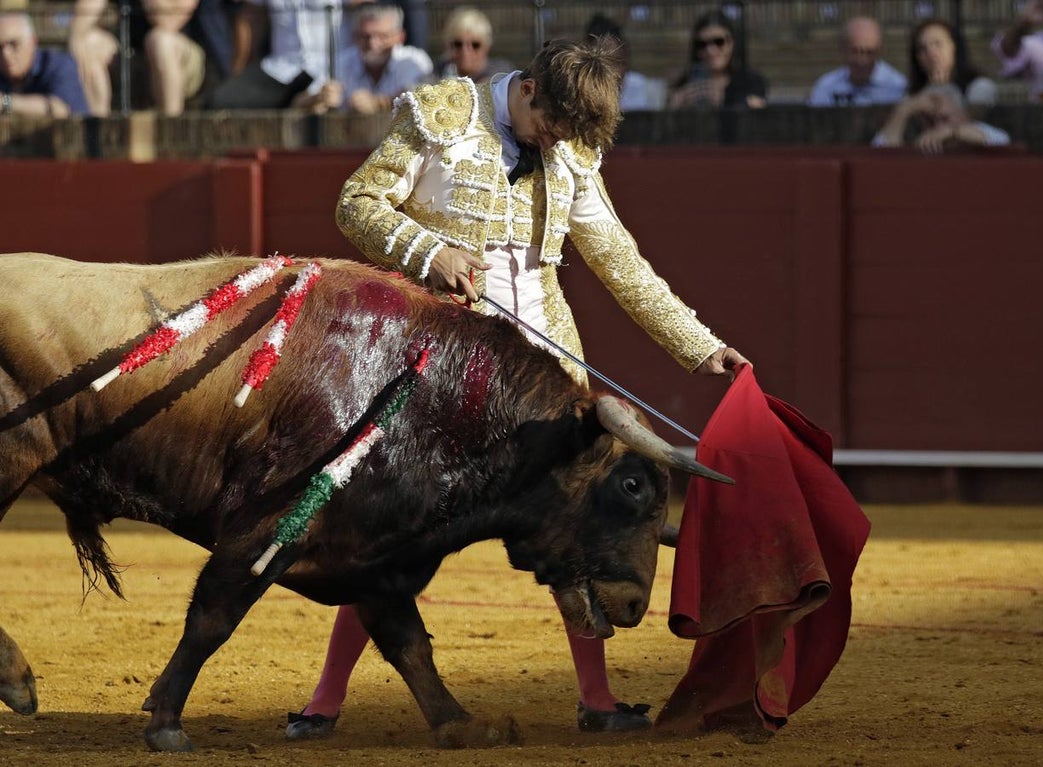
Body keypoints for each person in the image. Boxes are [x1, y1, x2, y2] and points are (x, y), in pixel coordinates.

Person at [283, 35, 749, 740]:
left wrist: (700, 346)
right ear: (528, 87)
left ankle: (596, 698)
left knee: (576, 522)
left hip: (549, 375)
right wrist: (430, 250)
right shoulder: (440, 113)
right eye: (550, 126)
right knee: (395, 532)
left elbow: (620, 260)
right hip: (445, 366)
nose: (556, 143)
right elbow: (358, 203)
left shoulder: (570, 146)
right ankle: (324, 698)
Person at [67, 0, 229, 116]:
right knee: (88, 43)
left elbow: (168, 21)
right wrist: (77, 38)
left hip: (186, 61)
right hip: (135, 57)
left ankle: (170, 129)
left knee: (159, 41)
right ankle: (99, 129)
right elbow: (80, 26)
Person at [293, 3, 430, 115]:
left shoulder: (414, 60)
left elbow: (423, 99)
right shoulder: (341, 62)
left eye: (382, 36)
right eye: (365, 36)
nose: (373, 44)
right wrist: (320, 97)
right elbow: (297, 103)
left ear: (400, 37)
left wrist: (378, 103)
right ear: (354, 37)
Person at [207, 0, 341, 109]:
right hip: (281, 68)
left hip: (335, 69)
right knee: (221, 101)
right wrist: (238, 71)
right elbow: (250, 17)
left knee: (333, 105)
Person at [667, 10, 767, 109]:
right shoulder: (684, 84)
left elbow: (758, 112)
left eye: (719, 42)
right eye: (702, 44)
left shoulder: (749, 81)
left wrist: (725, 101)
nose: (710, 51)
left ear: (731, 43)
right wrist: (675, 108)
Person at [873, 83, 1010, 152]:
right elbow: (880, 152)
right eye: (930, 121)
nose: (938, 127)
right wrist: (904, 111)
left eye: (944, 118)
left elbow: (1002, 141)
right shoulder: (920, 142)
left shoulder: (978, 130)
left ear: (963, 114)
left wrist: (953, 132)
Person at [0, 10, 89, 116]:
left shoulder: (59, 65)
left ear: (33, 41)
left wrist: (6, 103)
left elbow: (60, 110)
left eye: (14, 44)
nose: (6, 54)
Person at [808, 15, 906, 106]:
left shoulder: (898, 87)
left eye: (869, 52)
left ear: (880, 51)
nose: (862, 60)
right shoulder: (826, 86)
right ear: (843, 50)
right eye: (855, 52)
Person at [907, 17, 997, 106]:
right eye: (922, 48)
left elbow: (967, 119)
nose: (930, 53)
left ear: (955, 47)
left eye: (937, 44)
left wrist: (942, 88)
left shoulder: (980, 87)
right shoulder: (912, 95)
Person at [584, 12, 665, 111]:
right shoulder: (582, 98)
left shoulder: (649, 93)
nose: (613, 73)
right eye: (603, 64)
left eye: (616, 62)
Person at [426, 5, 511, 84]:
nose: (465, 51)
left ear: (487, 46)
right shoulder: (440, 70)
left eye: (475, 45)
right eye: (458, 44)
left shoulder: (500, 75)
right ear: (448, 45)